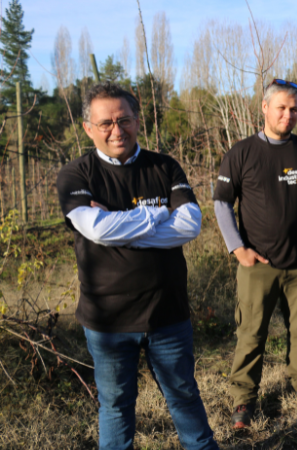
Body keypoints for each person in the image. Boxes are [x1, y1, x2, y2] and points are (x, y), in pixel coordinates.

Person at [56, 82, 218, 450]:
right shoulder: (76, 175)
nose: (117, 130)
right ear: (88, 128)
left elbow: (190, 225)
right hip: (109, 321)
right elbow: (93, 228)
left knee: (184, 395)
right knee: (115, 406)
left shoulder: (164, 166)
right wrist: (158, 215)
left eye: (124, 120)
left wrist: (119, 226)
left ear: (137, 120)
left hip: (168, 314)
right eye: (106, 123)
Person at [213, 79, 297, 429]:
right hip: (257, 265)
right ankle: (243, 399)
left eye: (294, 108)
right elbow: (222, 203)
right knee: (250, 333)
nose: (288, 115)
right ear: (264, 108)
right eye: (280, 107)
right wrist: (238, 248)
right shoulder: (242, 153)